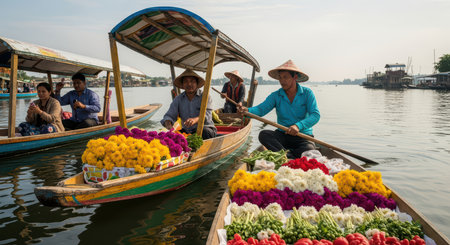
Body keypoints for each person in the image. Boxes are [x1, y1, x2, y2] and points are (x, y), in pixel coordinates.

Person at [237, 60, 320, 158]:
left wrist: (298, 126)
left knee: (309, 149)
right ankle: (288, 155)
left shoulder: (307, 93)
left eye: (285, 77)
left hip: (302, 136)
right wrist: (247, 111)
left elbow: (315, 115)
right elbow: (261, 109)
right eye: (280, 78)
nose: (282, 81)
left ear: (295, 77)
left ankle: (285, 155)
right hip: (283, 135)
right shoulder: (276, 95)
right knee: (264, 134)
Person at [161, 69, 217, 139]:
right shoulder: (178, 99)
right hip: (187, 131)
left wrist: (195, 120)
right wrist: (168, 123)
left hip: (206, 129)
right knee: (169, 137)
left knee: (204, 132)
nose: (189, 84)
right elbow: (169, 115)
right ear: (183, 85)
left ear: (196, 84)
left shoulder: (205, 96)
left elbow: (208, 115)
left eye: (192, 81)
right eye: (186, 82)